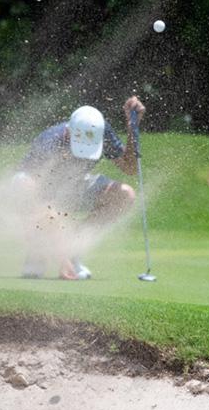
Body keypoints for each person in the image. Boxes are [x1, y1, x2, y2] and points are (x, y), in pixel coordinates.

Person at [15, 96, 145, 279]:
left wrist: (133, 127)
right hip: (36, 192)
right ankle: (39, 251)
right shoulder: (51, 141)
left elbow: (130, 168)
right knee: (23, 186)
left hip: (74, 184)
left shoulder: (101, 132)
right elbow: (39, 203)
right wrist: (62, 261)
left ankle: (72, 250)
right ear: (69, 132)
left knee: (124, 195)